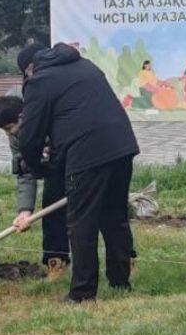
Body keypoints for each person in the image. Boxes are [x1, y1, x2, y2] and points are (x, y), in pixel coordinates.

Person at [17, 43, 140, 303]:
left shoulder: (39, 81)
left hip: (87, 153)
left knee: (81, 222)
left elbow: (29, 137)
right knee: (114, 215)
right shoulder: (85, 65)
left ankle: (82, 293)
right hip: (122, 145)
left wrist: (36, 167)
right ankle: (120, 283)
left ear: (29, 69)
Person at [0, 42, 70, 280]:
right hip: (53, 166)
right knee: (53, 203)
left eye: (11, 128)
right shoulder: (15, 113)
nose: (10, 135)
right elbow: (25, 170)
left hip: (78, 155)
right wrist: (25, 210)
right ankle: (56, 260)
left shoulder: (58, 98)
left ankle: (123, 258)